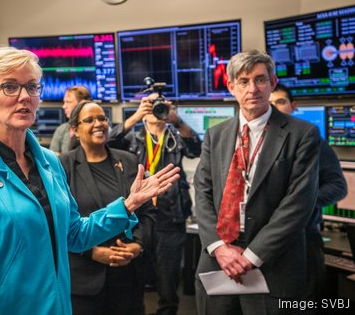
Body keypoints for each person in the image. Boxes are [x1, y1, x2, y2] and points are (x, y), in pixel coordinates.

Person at [0, 47, 181, 315]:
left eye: (32, 87)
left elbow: (75, 234)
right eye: (10, 87)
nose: (24, 96)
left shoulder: (49, 162)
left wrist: (127, 206)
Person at [194, 50, 320, 315]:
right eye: (243, 81)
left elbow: (299, 203)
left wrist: (251, 256)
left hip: (272, 266)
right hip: (218, 263)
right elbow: (203, 192)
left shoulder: (303, 134)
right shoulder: (215, 135)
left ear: (272, 83)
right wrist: (219, 248)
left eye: (260, 80)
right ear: (231, 87)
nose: (252, 89)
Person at [108, 93, 201, 315]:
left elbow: (196, 148)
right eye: (150, 105)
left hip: (171, 217)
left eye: (159, 105)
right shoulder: (132, 139)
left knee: (168, 284)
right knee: (134, 282)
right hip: (138, 220)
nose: (155, 110)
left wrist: (175, 120)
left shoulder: (175, 136)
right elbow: (108, 142)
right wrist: (135, 116)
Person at [59, 101, 155, 315]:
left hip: (128, 276)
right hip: (83, 280)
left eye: (102, 118)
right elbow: (57, 223)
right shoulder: (63, 166)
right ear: (74, 130)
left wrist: (137, 245)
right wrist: (91, 252)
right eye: (90, 120)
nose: (98, 124)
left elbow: (147, 212)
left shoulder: (129, 161)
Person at [269, 83, 347, 303]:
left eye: (280, 102)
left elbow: (338, 187)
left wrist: (299, 202)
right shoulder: (256, 143)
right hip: (265, 240)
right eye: (270, 103)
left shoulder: (312, 140)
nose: (274, 108)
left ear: (294, 106)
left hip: (302, 239)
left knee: (302, 303)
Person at [50, 85, 91, 155]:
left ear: (82, 103)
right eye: (64, 102)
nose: (64, 106)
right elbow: (53, 158)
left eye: (68, 102)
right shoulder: (62, 130)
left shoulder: (97, 128)